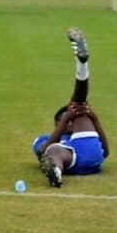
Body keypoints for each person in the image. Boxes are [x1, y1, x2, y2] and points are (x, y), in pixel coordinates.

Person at [33, 28, 107, 188]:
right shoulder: (44, 138)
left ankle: (82, 63)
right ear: (56, 123)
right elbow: (40, 153)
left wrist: (95, 119)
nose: (71, 121)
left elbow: (106, 152)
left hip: (89, 152)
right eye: (65, 119)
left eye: (71, 120)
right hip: (72, 159)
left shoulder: (78, 132)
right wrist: (65, 121)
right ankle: (56, 173)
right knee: (51, 151)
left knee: (80, 106)